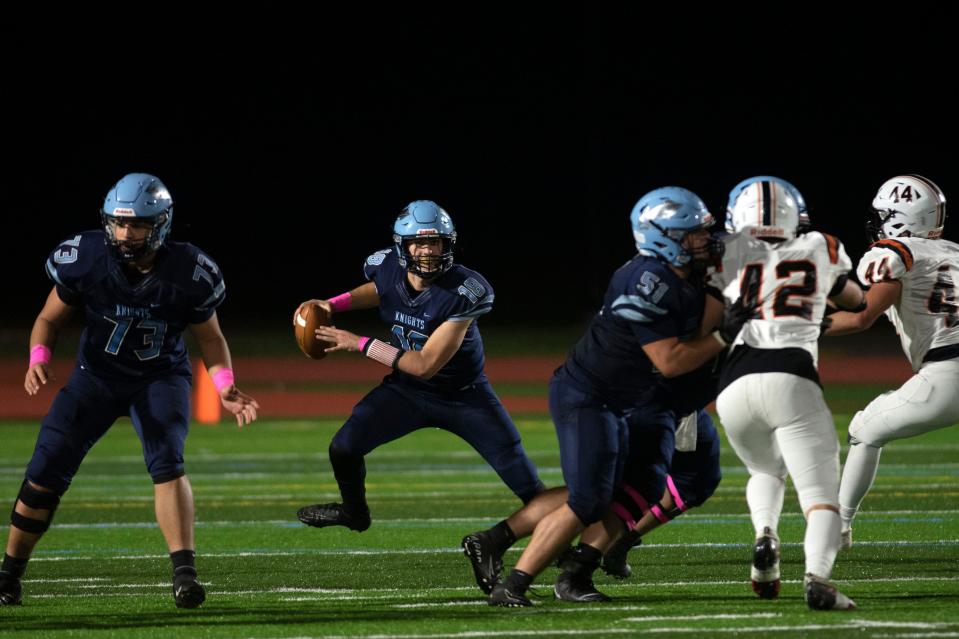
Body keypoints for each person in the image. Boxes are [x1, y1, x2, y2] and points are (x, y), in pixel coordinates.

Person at [465, 187, 749, 607]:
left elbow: (731, 258)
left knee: (633, 488)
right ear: (664, 238)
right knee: (589, 498)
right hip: (589, 396)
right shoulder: (646, 282)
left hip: (625, 399)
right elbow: (670, 360)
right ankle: (515, 583)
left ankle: (559, 569)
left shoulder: (684, 272)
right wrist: (729, 330)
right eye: (693, 235)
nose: (704, 241)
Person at [0, 173, 259, 608]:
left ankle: (184, 574)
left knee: (167, 460)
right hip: (95, 378)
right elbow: (48, 319)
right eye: (119, 223)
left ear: (160, 224)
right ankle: (9, 575)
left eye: (137, 224)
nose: (126, 233)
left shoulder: (188, 271)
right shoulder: (85, 257)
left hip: (159, 378)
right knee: (45, 469)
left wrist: (224, 386)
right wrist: (39, 357)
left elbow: (211, 339)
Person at [294, 200, 544, 535]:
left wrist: (360, 343)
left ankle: (561, 544)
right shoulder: (387, 268)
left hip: (464, 396)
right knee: (344, 446)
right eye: (420, 243)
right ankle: (354, 512)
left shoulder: (465, 291)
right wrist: (332, 304)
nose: (428, 251)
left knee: (526, 483)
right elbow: (380, 289)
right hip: (407, 392)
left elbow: (424, 364)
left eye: (435, 242)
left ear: (448, 244)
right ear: (403, 246)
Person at [711, 176, 865, 611]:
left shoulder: (725, 252)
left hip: (734, 382)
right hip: (792, 375)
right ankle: (817, 577)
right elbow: (855, 301)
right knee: (821, 500)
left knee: (765, 470)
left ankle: (765, 540)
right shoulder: (821, 245)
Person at [825, 175, 959, 550]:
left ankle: (839, 527)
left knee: (864, 430)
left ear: (900, 217)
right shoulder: (952, 252)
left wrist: (799, 321)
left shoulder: (898, 253)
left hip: (948, 374)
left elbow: (861, 316)